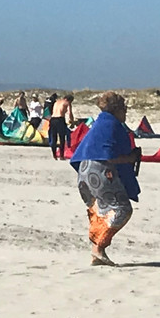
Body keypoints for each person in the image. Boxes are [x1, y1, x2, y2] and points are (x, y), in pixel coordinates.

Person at [70, 92, 142, 265]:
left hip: (85, 170)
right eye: (124, 109)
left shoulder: (100, 123)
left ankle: (97, 253)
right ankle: (98, 248)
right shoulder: (110, 124)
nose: (125, 112)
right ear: (116, 109)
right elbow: (107, 155)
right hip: (100, 171)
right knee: (122, 209)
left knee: (100, 211)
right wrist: (130, 159)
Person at [49, 94, 76, 160]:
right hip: (60, 119)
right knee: (62, 138)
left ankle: (54, 155)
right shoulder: (67, 103)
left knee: (54, 137)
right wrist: (72, 122)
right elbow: (70, 113)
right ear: (69, 100)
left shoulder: (56, 102)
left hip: (52, 119)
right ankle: (61, 156)